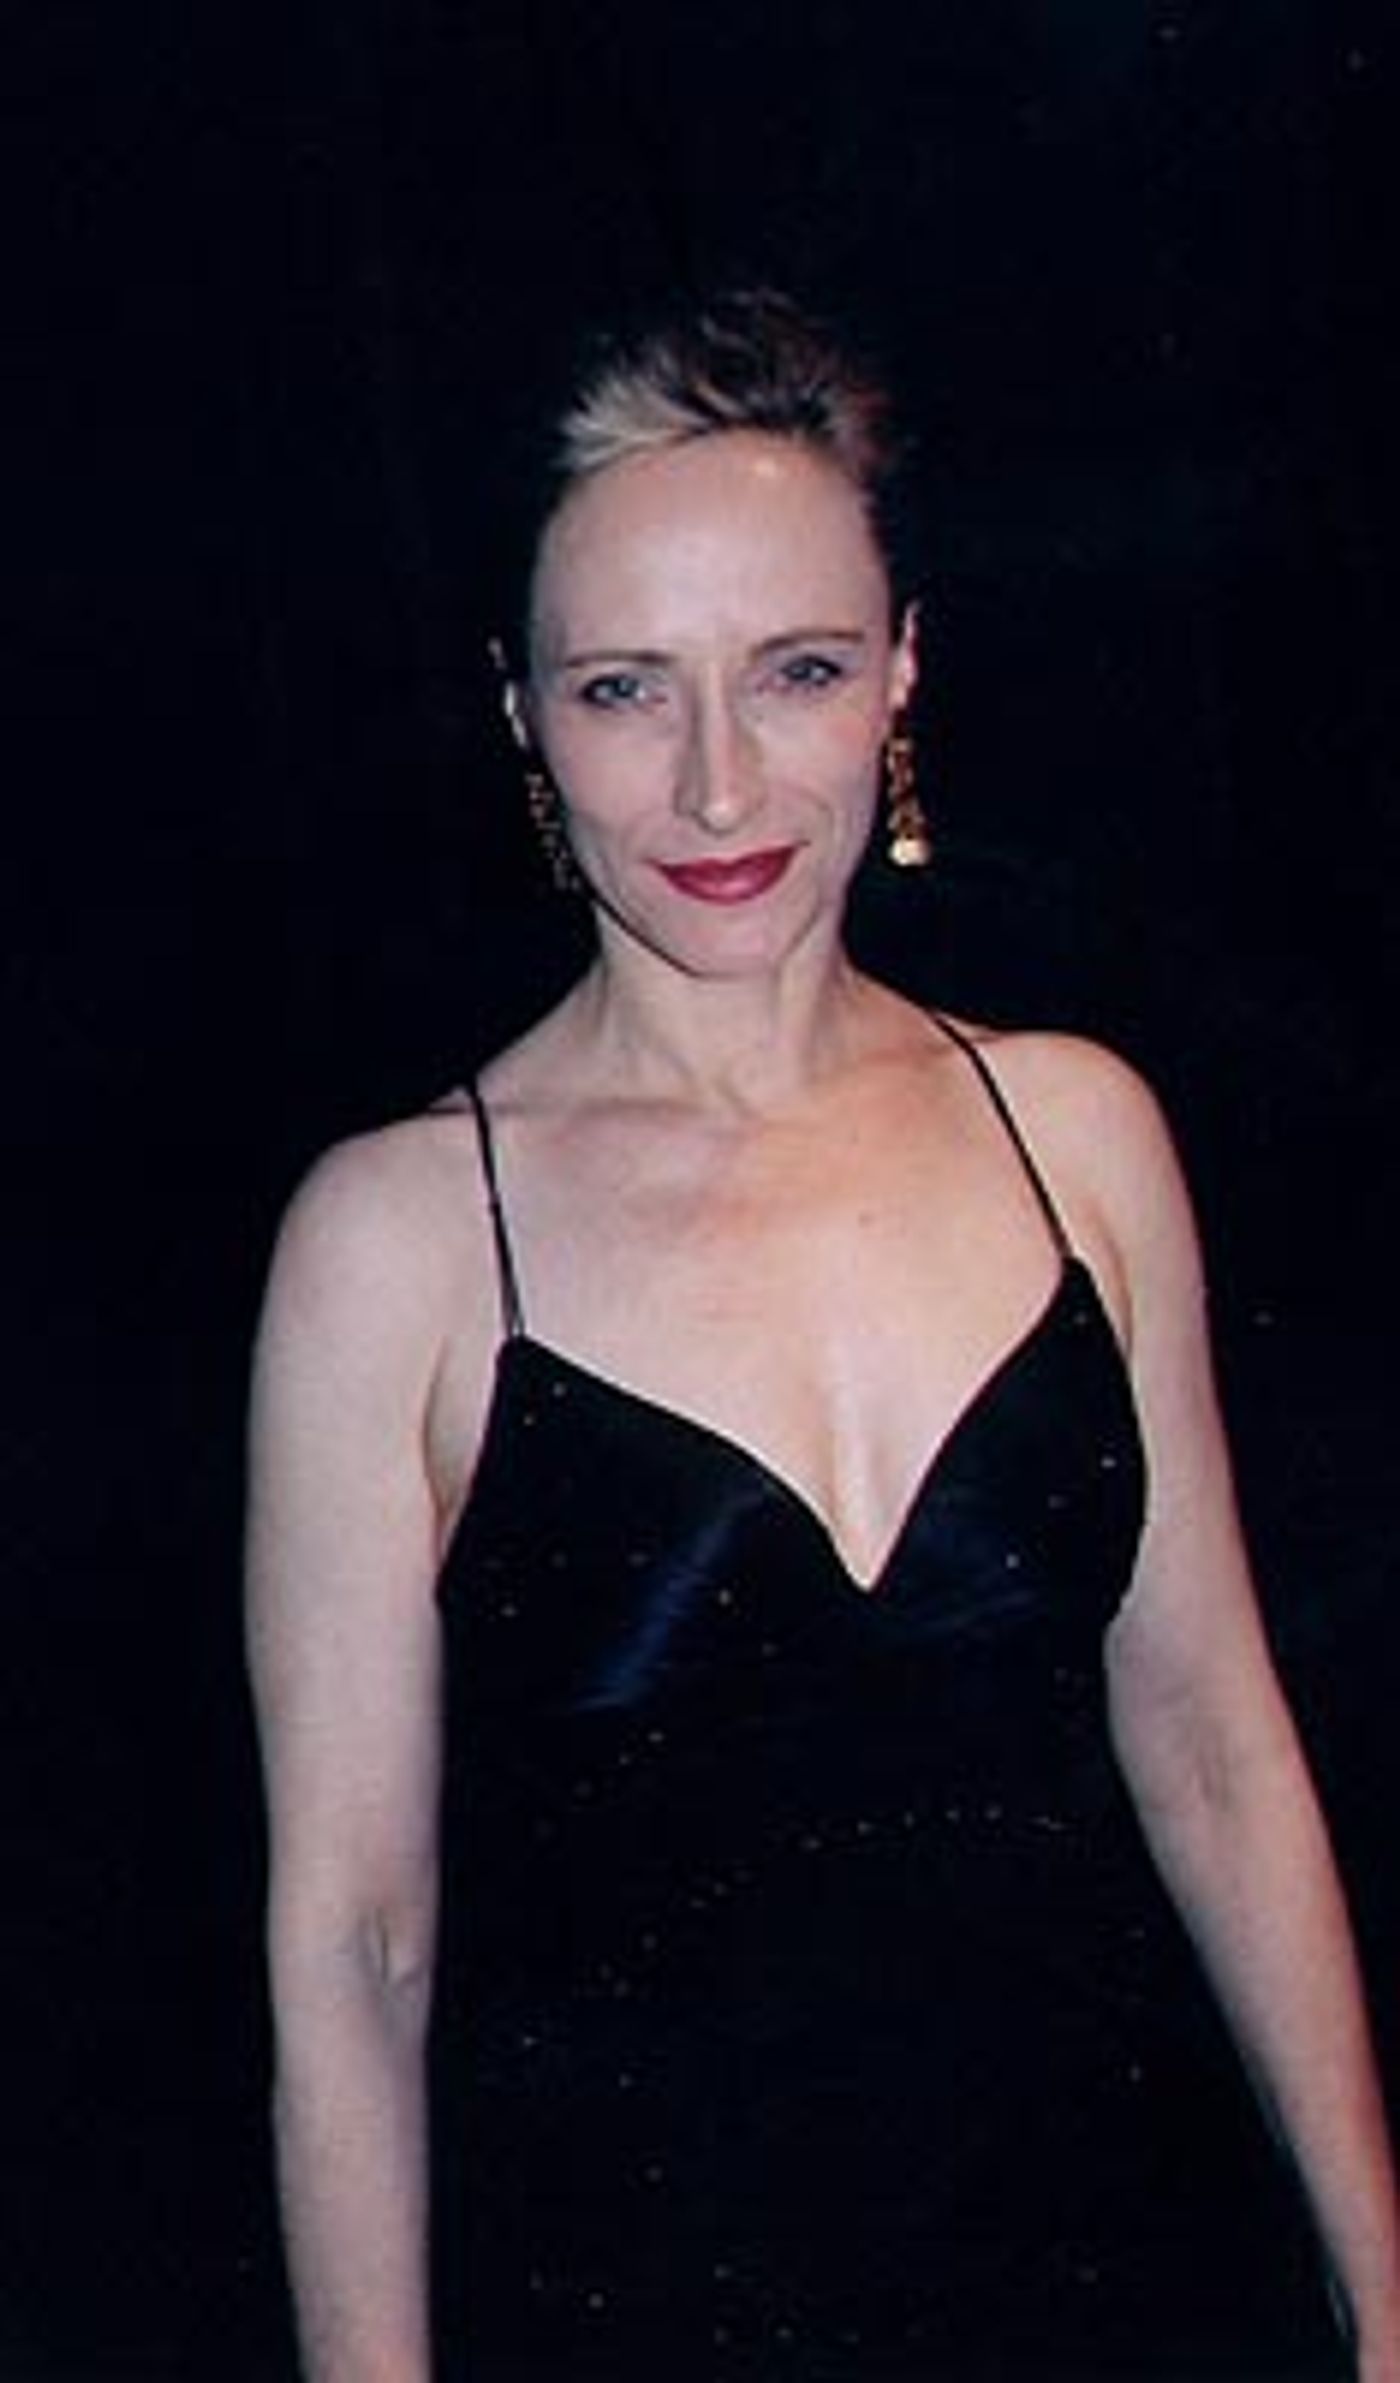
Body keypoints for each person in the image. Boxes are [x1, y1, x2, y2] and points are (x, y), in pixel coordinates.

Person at [245, 290, 1399, 2381]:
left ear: (902, 670)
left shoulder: (1075, 1131)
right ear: (522, 713)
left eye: (794, 671)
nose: (716, 786)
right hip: (637, 2315)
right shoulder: (394, 1242)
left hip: (1146, 2293)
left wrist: (1378, 2302)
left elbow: (1221, 1756)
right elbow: (356, 1950)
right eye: (624, 689)